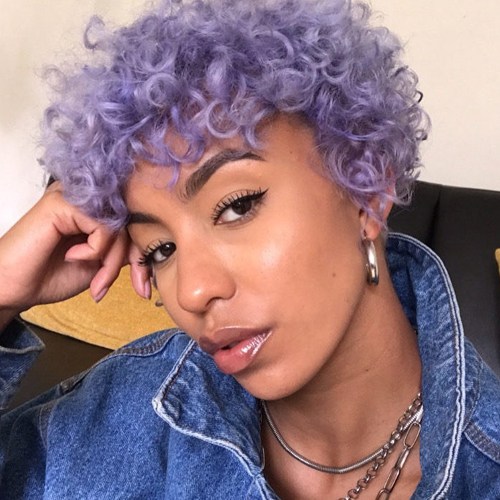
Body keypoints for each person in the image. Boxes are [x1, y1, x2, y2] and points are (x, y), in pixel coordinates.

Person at [0, 0, 499, 498]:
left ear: (366, 190)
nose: (193, 292)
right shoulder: (126, 415)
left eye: (237, 207)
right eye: (160, 249)